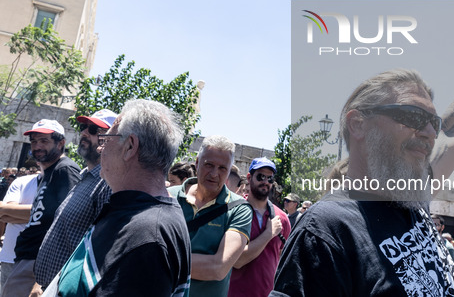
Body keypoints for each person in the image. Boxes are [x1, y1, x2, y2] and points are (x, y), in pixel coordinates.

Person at [271, 6, 454, 296]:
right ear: (359, 124)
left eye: (433, 123)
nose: (428, 133)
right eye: (411, 117)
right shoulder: (325, 231)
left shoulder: (411, 195)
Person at [47, 99, 191, 296]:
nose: (100, 148)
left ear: (130, 146)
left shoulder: (148, 236)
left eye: (107, 139)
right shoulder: (134, 212)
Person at [33, 109, 117, 291]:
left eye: (94, 129)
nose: (85, 133)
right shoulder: (84, 177)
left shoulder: (107, 184)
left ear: (111, 139)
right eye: (84, 127)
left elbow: (100, 252)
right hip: (48, 286)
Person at [1, 119, 81, 297]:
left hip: (37, 265)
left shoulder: (65, 170)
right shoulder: (48, 173)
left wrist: (40, 279)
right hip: (26, 260)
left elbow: (68, 224)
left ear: (61, 143)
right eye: (34, 141)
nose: (37, 146)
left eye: (44, 141)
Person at [168, 135, 252, 296]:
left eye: (222, 168)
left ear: (229, 172)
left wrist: (159, 259)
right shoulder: (167, 196)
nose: (214, 174)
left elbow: (218, 268)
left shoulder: (239, 209)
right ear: (197, 163)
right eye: (209, 165)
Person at [228, 157, 291, 297]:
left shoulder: (282, 218)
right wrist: (269, 234)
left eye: (270, 178)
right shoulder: (234, 211)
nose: (266, 182)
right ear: (249, 177)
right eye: (261, 176)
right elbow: (237, 261)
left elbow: (281, 260)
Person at [0, 173, 39, 293]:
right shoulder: (21, 181)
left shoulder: (62, 181)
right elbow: (4, 214)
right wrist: (41, 217)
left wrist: (14, 213)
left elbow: (55, 215)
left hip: (37, 261)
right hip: (10, 258)